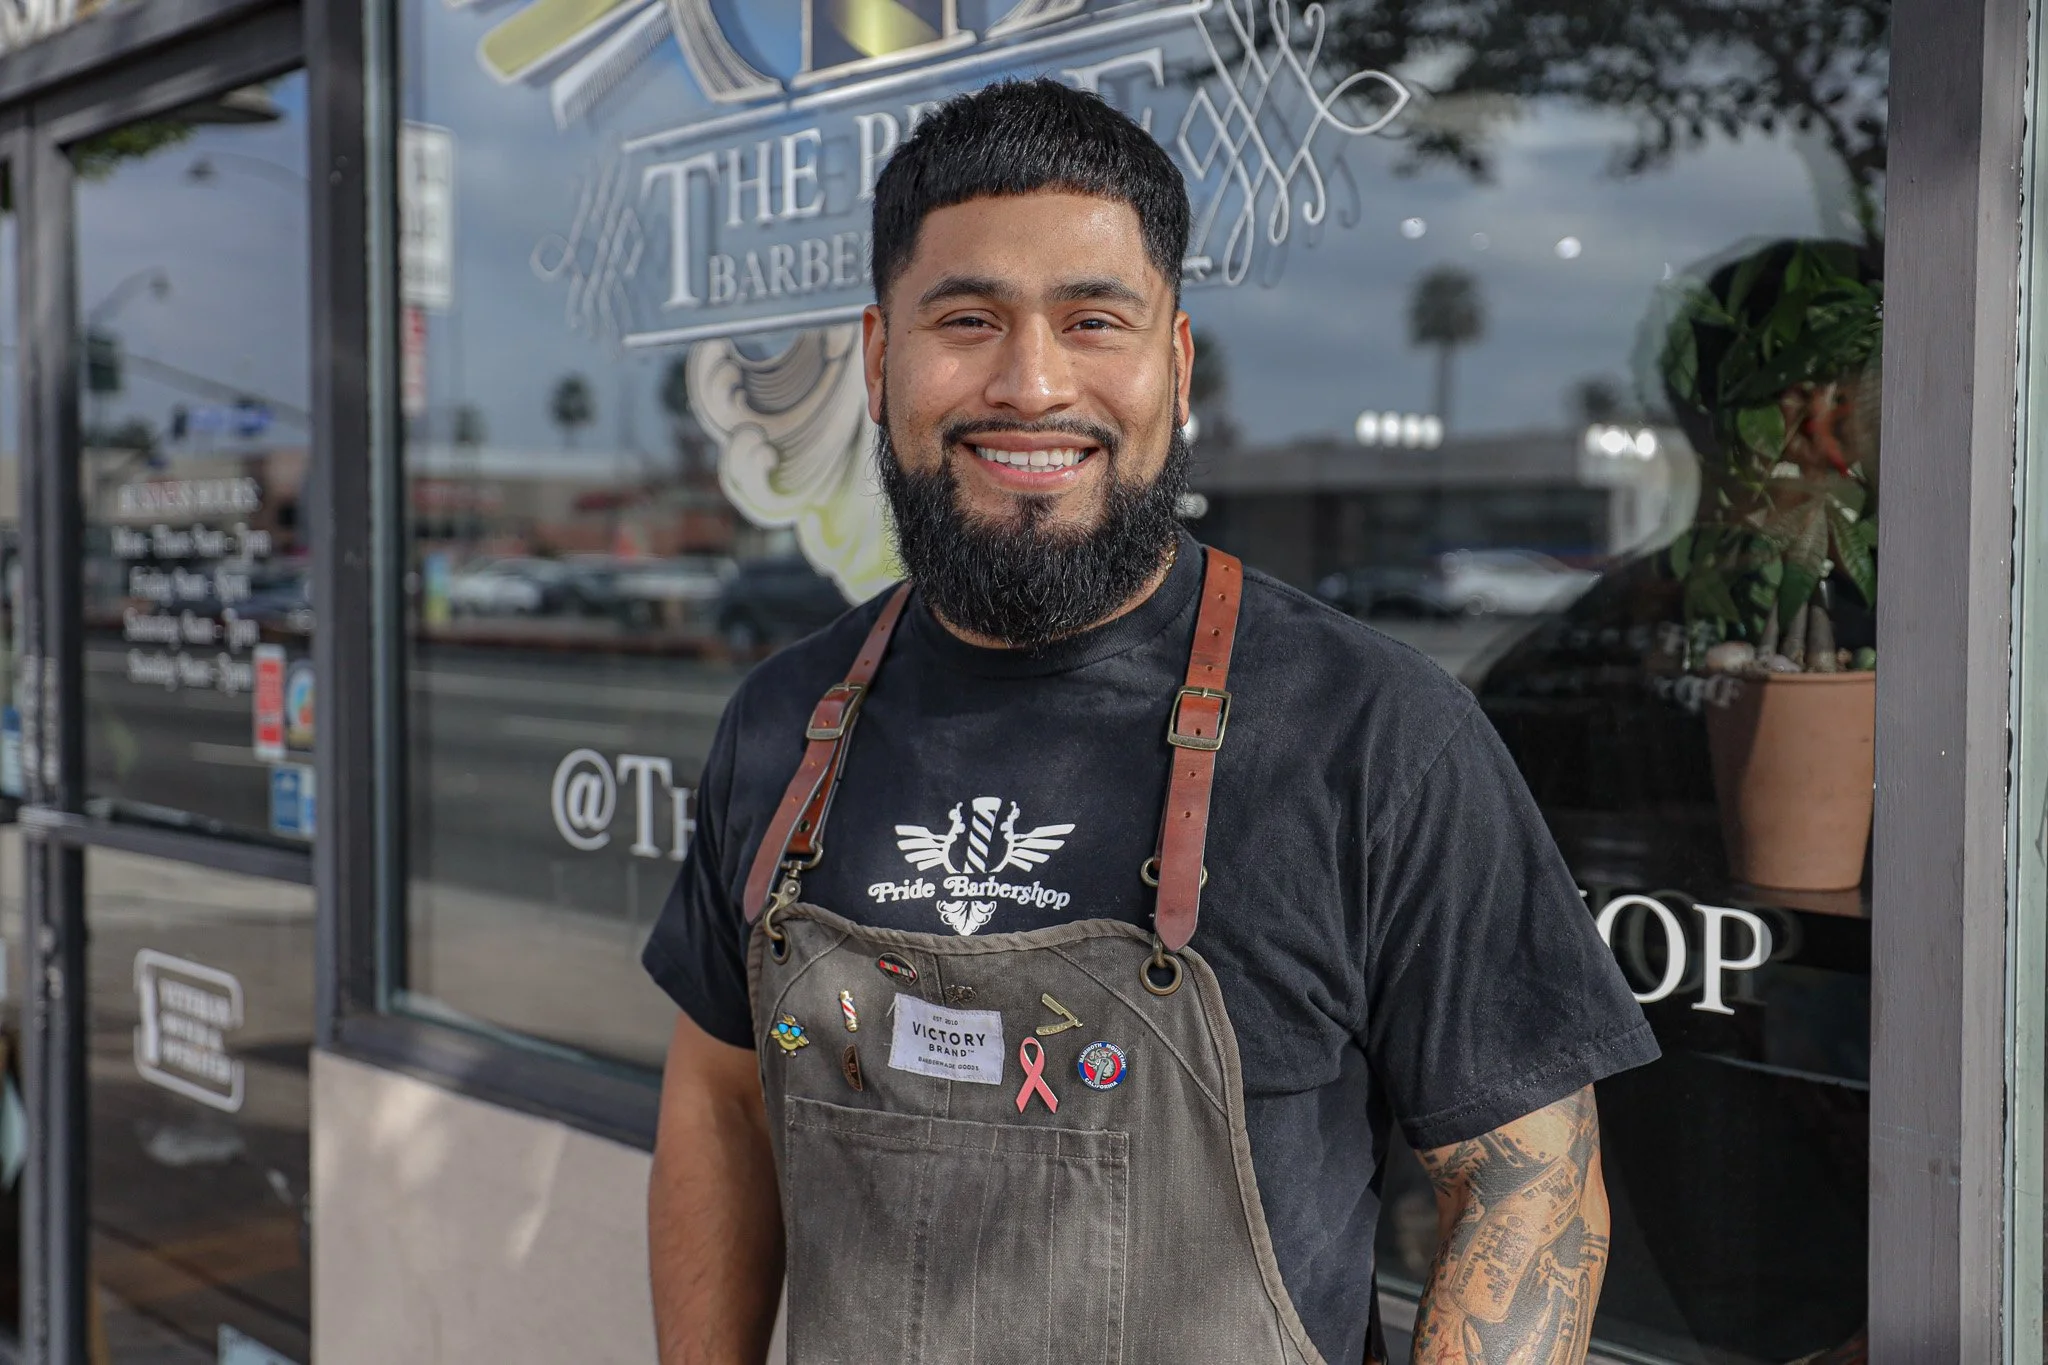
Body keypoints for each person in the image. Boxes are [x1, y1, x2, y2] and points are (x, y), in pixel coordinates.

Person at [641, 78, 1659, 1365]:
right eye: (967, 319)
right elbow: (722, 1101)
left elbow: (1524, 1185)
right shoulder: (781, 722)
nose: (1031, 381)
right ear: (879, 357)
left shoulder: (1375, 735)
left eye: (1092, 320)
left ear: (1171, 365)